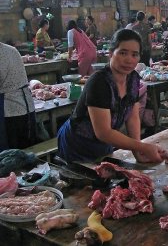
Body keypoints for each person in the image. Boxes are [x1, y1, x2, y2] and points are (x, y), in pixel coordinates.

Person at [58, 29, 162, 163]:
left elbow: (132, 117)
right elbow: (103, 132)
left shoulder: (133, 79)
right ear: (111, 53)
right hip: (78, 144)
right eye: (123, 53)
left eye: (134, 54)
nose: (129, 60)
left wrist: (137, 151)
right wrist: (143, 147)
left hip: (105, 143)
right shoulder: (99, 82)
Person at [0, 43, 36, 150]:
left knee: (14, 154)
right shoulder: (11, 49)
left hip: (11, 111)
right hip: (27, 107)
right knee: (26, 150)